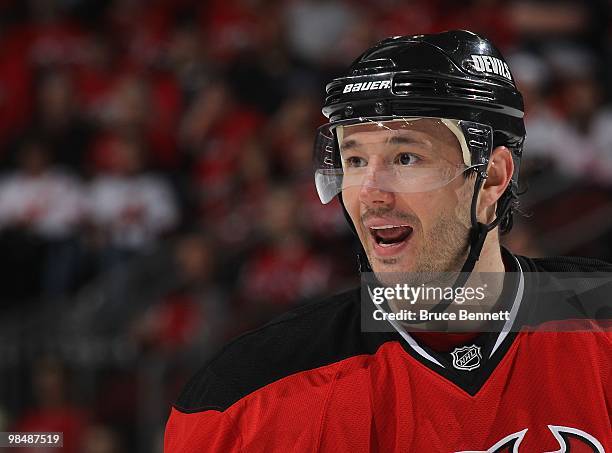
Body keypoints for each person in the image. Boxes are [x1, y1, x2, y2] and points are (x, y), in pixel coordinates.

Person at [164, 30, 610, 452]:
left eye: (405, 156)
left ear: (492, 177)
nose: (370, 193)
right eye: (354, 159)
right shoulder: (243, 396)